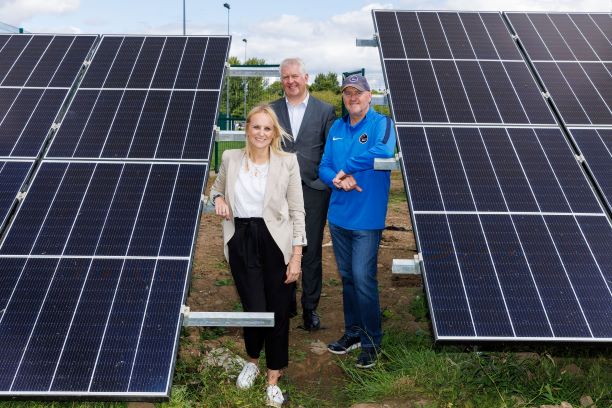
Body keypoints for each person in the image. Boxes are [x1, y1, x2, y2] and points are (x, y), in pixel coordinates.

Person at [210, 104, 306, 407]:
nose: (261, 133)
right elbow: (215, 190)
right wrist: (220, 199)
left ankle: (273, 378)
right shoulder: (230, 158)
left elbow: (297, 211)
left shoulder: (287, 162)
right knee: (253, 308)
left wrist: (296, 257)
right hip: (241, 241)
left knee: (277, 312)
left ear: (274, 132)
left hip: (276, 242)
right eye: (256, 127)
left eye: (267, 128)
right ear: (246, 129)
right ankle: (251, 361)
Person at [319, 74, 396, 368]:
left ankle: (372, 341)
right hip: (338, 216)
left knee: (364, 279)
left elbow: (384, 151)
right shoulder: (337, 128)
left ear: (369, 96)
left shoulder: (382, 124)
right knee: (348, 278)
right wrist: (337, 180)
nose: (352, 98)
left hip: (367, 217)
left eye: (358, 93)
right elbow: (324, 166)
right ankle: (352, 333)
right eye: (347, 93)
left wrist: (347, 168)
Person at [270, 57, 336, 331]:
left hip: (313, 189)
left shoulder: (325, 110)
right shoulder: (271, 110)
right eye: (285, 77)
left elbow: (330, 150)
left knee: (309, 250)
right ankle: (286, 305)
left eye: (295, 76)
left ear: (306, 77)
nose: (291, 81)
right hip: (279, 189)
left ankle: (310, 308)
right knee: (279, 246)